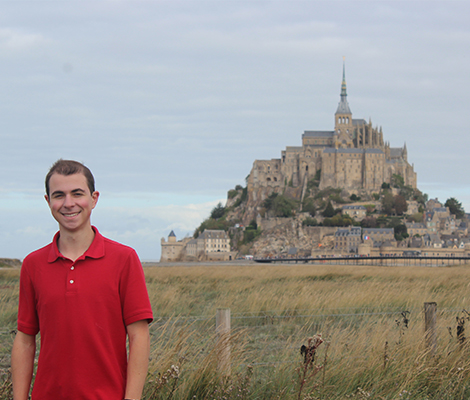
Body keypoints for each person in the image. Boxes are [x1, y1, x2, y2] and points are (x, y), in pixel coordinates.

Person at [11, 159, 153, 400]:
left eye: (77, 193)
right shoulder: (32, 265)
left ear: (94, 198)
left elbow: (139, 336)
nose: (68, 203)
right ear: (48, 202)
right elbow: (25, 339)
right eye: (59, 195)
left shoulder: (124, 259)